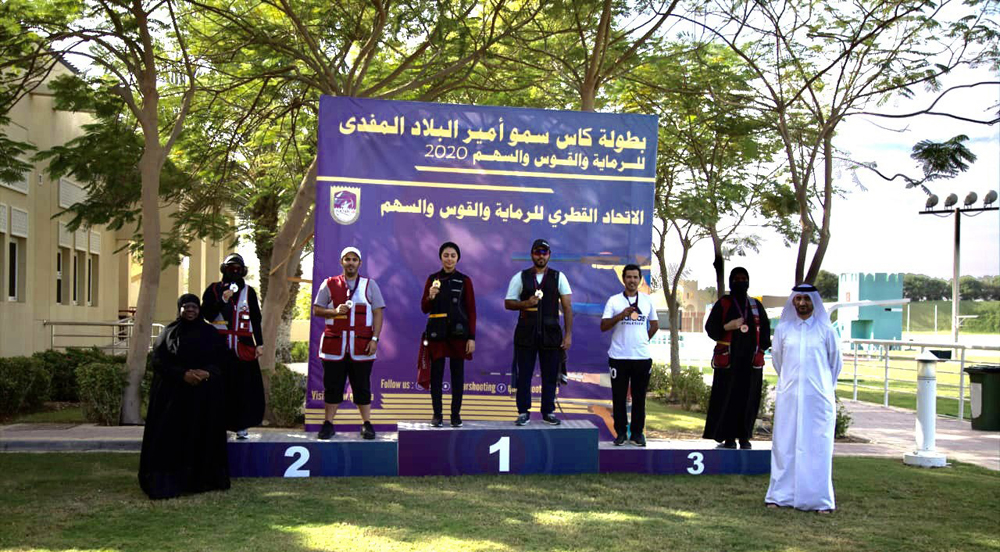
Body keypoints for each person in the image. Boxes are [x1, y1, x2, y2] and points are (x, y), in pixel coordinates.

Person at [139, 294, 230, 500]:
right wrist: (183, 375)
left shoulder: (210, 333)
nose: (190, 310)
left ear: (199, 309)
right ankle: (171, 481)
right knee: (172, 438)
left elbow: (223, 359)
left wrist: (207, 373)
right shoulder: (169, 332)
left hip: (203, 398)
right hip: (174, 398)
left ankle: (201, 480)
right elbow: (159, 361)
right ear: (179, 308)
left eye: (194, 307)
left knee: (201, 435)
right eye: (186, 307)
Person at [765, 284, 843, 513]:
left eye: (806, 299)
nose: (801, 303)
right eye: (798, 299)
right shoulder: (783, 329)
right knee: (785, 445)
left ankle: (819, 500)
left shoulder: (825, 330)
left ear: (814, 302)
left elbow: (835, 365)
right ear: (793, 301)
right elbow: (778, 361)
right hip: (789, 396)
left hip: (817, 399)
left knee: (817, 446)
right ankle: (780, 496)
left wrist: (819, 386)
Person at [313, 246, 385, 440]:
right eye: (347, 259)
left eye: (354, 259)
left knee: (362, 386)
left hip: (361, 347)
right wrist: (334, 312)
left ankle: (366, 424)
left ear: (360, 263)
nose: (351, 262)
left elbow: (378, 312)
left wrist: (375, 339)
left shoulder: (370, 285)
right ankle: (328, 424)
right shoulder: (329, 284)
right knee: (332, 387)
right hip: (334, 347)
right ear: (341, 262)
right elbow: (317, 310)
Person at [504, 238, 573, 426]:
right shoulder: (521, 277)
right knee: (524, 374)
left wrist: (567, 335)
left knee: (550, 374)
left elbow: (567, 307)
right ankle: (523, 412)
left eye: (544, 252)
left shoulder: (559, 277)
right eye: (537, 252)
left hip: (551, 334)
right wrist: (525, 303)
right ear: (531, 254)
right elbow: (508, 303)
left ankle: (548, 412)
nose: (541, 256)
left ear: (549, 255)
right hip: (526, 333)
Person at [702, 267, 771, 449]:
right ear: (731, 282)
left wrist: (761, 349)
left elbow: (765, 331)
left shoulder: (755, 305)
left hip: (750, 363)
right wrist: (728, 326)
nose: (741, 282)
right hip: (729, 363)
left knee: (748, 400)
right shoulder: (724, 303)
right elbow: (711, 329)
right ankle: (729, 437)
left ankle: (745, 437)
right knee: (728, 399)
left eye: (744, 278)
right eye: (737, 279)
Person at [201, 253, 265, 440]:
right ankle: (216, 425)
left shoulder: (249, 292)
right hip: (219, 346)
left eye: (238, 269)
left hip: (243, 346)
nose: (234, 272)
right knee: (218, 387)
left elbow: (256, 318)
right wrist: (222, 299)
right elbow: (207, 314)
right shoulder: (214, 289)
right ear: (224, 270)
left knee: (242, 388)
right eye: (231, 268)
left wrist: (259, 343)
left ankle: (241, 425)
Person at [600, 264, 659, 446]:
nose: (632, 280)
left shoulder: (647, 301)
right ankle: (620, 433)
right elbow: (603, 326)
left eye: (635, 277)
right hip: (619, 357)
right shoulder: (614, 301)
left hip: (641, 357)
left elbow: (654, 325)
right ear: (623, 279)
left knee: (639, 398)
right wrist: (621, 315)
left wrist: (642, 341)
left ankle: (637, 434)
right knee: (618, 398)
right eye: (629, 277)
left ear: (640, 280)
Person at [420, 241, 476, 428]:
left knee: (457, 376)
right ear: (440, 257)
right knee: (436, 375)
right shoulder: (432, 279)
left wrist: (471, 337)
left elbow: (472, 311)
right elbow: (424, 308)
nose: (449, 259)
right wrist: (431, 296)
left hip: (459, 335)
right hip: (437, 335)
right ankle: (437, 415)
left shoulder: (465, 280)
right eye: (446, 255)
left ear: (458, 258)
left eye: (453, 255)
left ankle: (455, 415)